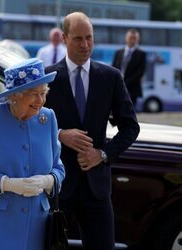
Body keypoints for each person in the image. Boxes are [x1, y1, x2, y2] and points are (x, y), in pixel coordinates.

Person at [45, 12, 140, 250]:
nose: (85, 45)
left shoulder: (111, 77)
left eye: (89, 38)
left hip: (96, 188)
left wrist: (103, 154)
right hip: (56, 185)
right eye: (78, 38)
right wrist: (60, 135)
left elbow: (130, 126)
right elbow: (29, 123)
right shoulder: (47, 78)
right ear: (65, 38)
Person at [0, 58, 65, 250]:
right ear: (15, 96)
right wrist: (7, 184)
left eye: (44, 93)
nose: (40, 101)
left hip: (36, 226)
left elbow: (58, 168)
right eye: (34, 94)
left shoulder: (47, 118)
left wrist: (47, 181)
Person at [112, 29, 146, 107]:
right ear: (126, 38)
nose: (132, 40)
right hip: (118, 87)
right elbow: (113, 68)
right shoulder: (118, 52)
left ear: (138, 39)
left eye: (134, 38)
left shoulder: (141, 54)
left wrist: (125, 82)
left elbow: (140, 72)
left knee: (129, 111)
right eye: (130, 37)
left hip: (132, 89)